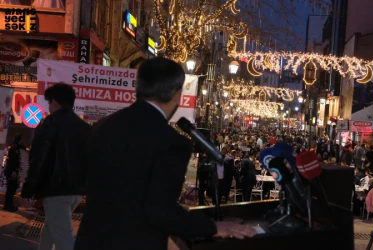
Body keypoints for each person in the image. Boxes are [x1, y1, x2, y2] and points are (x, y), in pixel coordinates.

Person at [74, 58, 256, 250]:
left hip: (90, 241)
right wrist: (213, 227)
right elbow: (160, 210)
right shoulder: (172, 142)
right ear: (178, 95)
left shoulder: (102, 126)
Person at [21, 83, 91, 250]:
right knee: (51, 229)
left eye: (49, 103)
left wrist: (28, 190)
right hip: (76, 191)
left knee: (64, 239)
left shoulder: (49, 124)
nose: (49, 107)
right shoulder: (84, 128)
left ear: (55, 102)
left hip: (55, 190)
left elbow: (39, 158)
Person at [3, 134, 25, 212]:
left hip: (11, 171)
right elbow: (12, 162)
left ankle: (9, 204)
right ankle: (8, 205)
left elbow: (21, 146)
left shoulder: (14, 147)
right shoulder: (14, 149)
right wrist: (13, 172)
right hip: (12, 171)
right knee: (11, 189)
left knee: (12, 188)